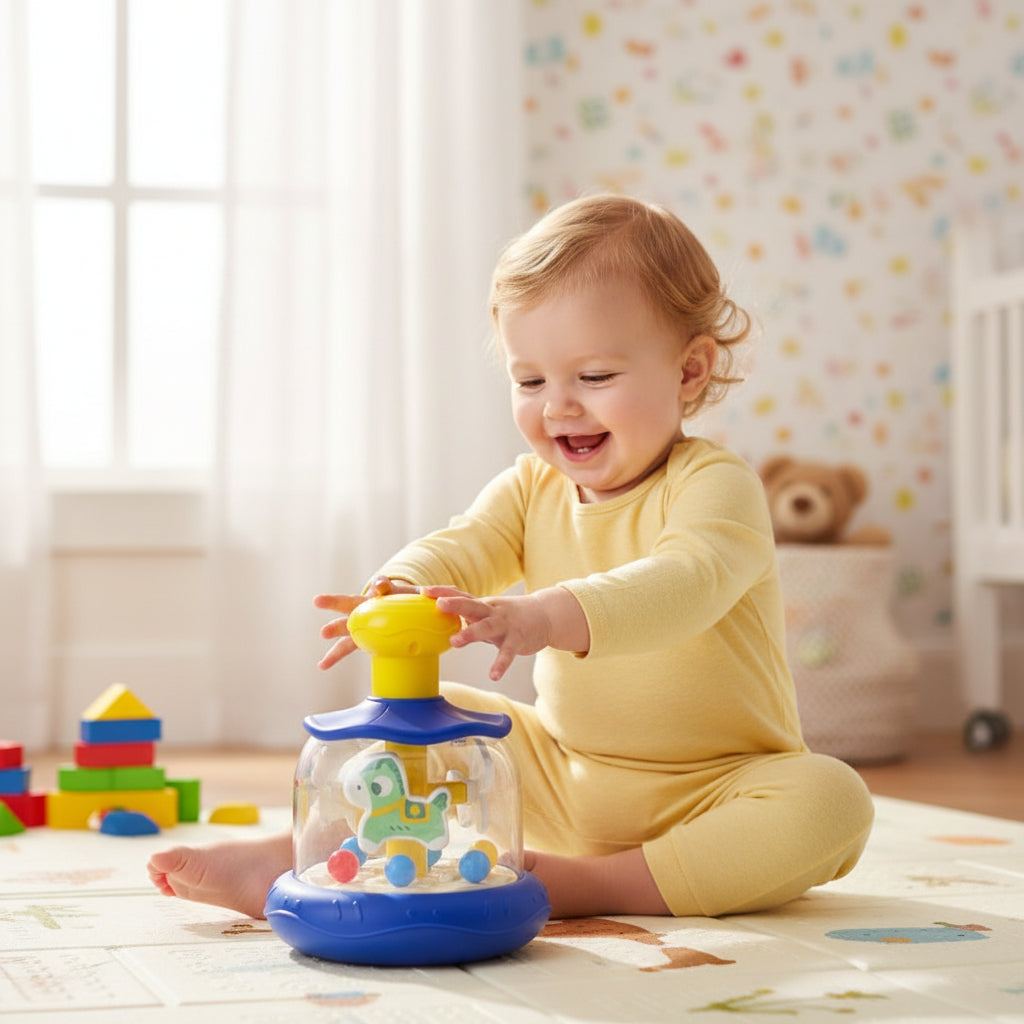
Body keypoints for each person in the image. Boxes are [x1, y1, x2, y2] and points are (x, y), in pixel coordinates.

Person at [148, 194, 874, 921]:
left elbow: (686, 583)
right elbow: (467, 544)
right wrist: (401, 585)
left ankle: (586, 887)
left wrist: (547, 615)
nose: (558, 406)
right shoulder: (533, 487)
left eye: (593, 378)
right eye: (530, 382)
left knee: (830, 800)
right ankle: (298, 854)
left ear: (689, 373)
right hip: (563, 778)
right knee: (434, 712)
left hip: (719, 789)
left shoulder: (716, 485)